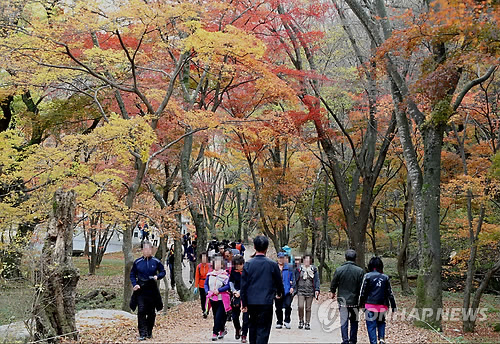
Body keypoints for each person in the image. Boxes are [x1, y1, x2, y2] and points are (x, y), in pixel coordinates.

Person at [241, 236, 284, 344]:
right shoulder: (273, 265)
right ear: (266, 248)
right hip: (266, 301)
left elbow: (243, 286)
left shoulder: (248, 264)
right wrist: (279, 293)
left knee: (253, 327)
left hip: (251, 302)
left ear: (254, 247)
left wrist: (244, 303)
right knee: (264, 329)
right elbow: (279, 282)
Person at [129, 241, 166, 341]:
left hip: (152, 290)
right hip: (141, 289)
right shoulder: (137, 262)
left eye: (149, 249)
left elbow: (163, 272)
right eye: (145, 249)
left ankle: (149, 331)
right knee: (141, 311)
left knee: (151, 313)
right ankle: (142, 333)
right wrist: (135, 284)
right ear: (142, 250)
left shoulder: (156, 261)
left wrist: (157, 276)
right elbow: (132, 274)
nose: (147, 251)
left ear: (152, 250)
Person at [330, 249, 365, 344]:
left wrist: (333, 291)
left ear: (345, 258)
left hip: (343, 300)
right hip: (355, 300)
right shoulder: (360, 271)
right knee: (354, 321)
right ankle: (353, 340)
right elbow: (362, 287)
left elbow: (334, 282)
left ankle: (345, 340)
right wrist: (362, 301)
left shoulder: (339, 270)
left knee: (343, 321)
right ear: (355, 258)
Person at [359, 256, 397, 344]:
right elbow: (390, 293)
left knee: (371, 326)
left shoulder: (367, 276)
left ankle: (373, 342)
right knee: (381, 322)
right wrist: (393, 306)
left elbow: (363, 292)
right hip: (382, 305)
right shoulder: (385, 277)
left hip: (370, 305)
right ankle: (381, 339)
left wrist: (361, 304)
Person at [205, 254, 231, 341]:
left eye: (219, 263)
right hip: (212, 299)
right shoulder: (210, 275)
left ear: (222, 264)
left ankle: (215, 332)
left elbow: (228, 286)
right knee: (216, 315)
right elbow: (206, 285)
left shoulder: (225, 275)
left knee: (219, 315)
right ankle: (222, 329)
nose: (217, 265)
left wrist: (219, 290)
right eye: (215, 263)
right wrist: (207, 291)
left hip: (222, 299)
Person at [294, 254, 320, 330]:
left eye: (308, 260)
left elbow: (316, 280)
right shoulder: (299, 269)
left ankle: (307, 322)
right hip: (301, 290)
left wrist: (317, 289)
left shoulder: (313, 269)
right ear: (303, 260)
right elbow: (295, 278)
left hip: (310, 291)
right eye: (305, 260)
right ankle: (301, 320)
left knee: (308, 308)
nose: (307, 262)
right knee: (300, 306)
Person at [229, 255, 249, 343]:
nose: (237, 267)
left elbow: (248, 283)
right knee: (234, 316)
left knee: (246, 317)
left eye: (238, 265)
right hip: (235, 294)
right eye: (235, 265)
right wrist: (233, 291)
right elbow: (230, 281)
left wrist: (240, 292)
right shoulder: (233, 271)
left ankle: (244, 334)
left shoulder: (248, 271)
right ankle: (238, 328)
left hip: (246, 294)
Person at [275, 252, 295, 330]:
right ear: (277, 258)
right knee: (278, 307)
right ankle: (279, 322)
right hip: (277, 290)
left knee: (288, 305)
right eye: (280, 258)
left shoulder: (289, 267)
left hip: (287, 290)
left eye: (282, 258)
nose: (281, 259)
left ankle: (287, 321)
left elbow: (292, 278)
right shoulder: (275, 267)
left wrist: (292, 287)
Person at [194, 251, 212, 318]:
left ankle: (207, 310)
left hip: (208, 284)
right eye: (202, 258)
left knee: (208, 298)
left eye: (205, 258)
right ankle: (204, 310)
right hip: (201, 284)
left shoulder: (210, 266)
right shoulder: (198, 266)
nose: (204, 259)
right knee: (203, 299)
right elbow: (197, 276)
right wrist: (196, 286)